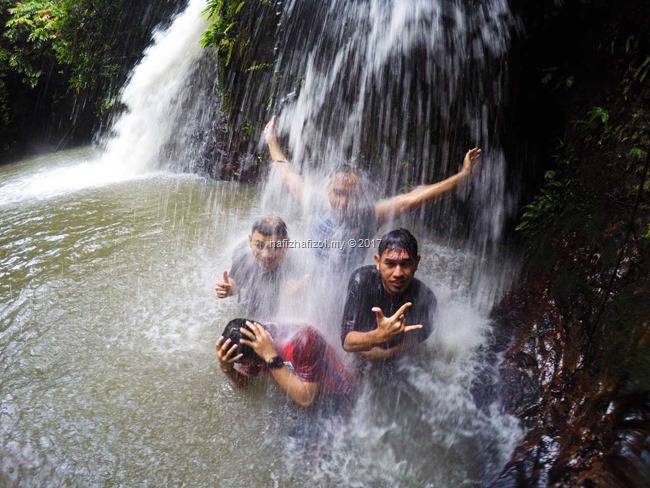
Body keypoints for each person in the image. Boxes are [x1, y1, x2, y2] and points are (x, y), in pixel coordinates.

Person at [263, 115, 482, 269]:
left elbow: (414, 198)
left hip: (347, 288)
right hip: (310, 280)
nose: (344, 201)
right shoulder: (314, 201)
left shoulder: (370, 214)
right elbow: (287, 173)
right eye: (338, 193)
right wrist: (271, 140)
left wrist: (462, 176)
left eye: (352, 195)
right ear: (327, 190)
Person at [216, 318, 355, 414]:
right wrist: (227, 369)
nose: (248, 365)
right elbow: (248, 382)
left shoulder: (303, 340)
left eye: (244, 363)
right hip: (298, 399)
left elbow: (306, 398)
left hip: (338, 396)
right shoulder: (255, 343)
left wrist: (270, 357)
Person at [340, 228, 436, 363]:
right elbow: (346, 342)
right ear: (378, 262)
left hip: (397, 357)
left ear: (416, 263)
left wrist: (388, 353)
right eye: (390, 264)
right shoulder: (361, 281)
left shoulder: (426, 298)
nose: (398, 273)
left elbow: (423, 333)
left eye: (406, 264)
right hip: (360, 350)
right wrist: (378, 337)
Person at [215, 214, 305, 320]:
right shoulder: (243, 257)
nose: (266, 255)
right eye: (259, 245)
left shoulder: (297, 261)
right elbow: (234, 283)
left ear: (286, 245)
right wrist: (227, 289)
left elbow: (312, 287)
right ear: (250, 241)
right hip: (251, 305)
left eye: (275, 246)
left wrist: (302, 292)